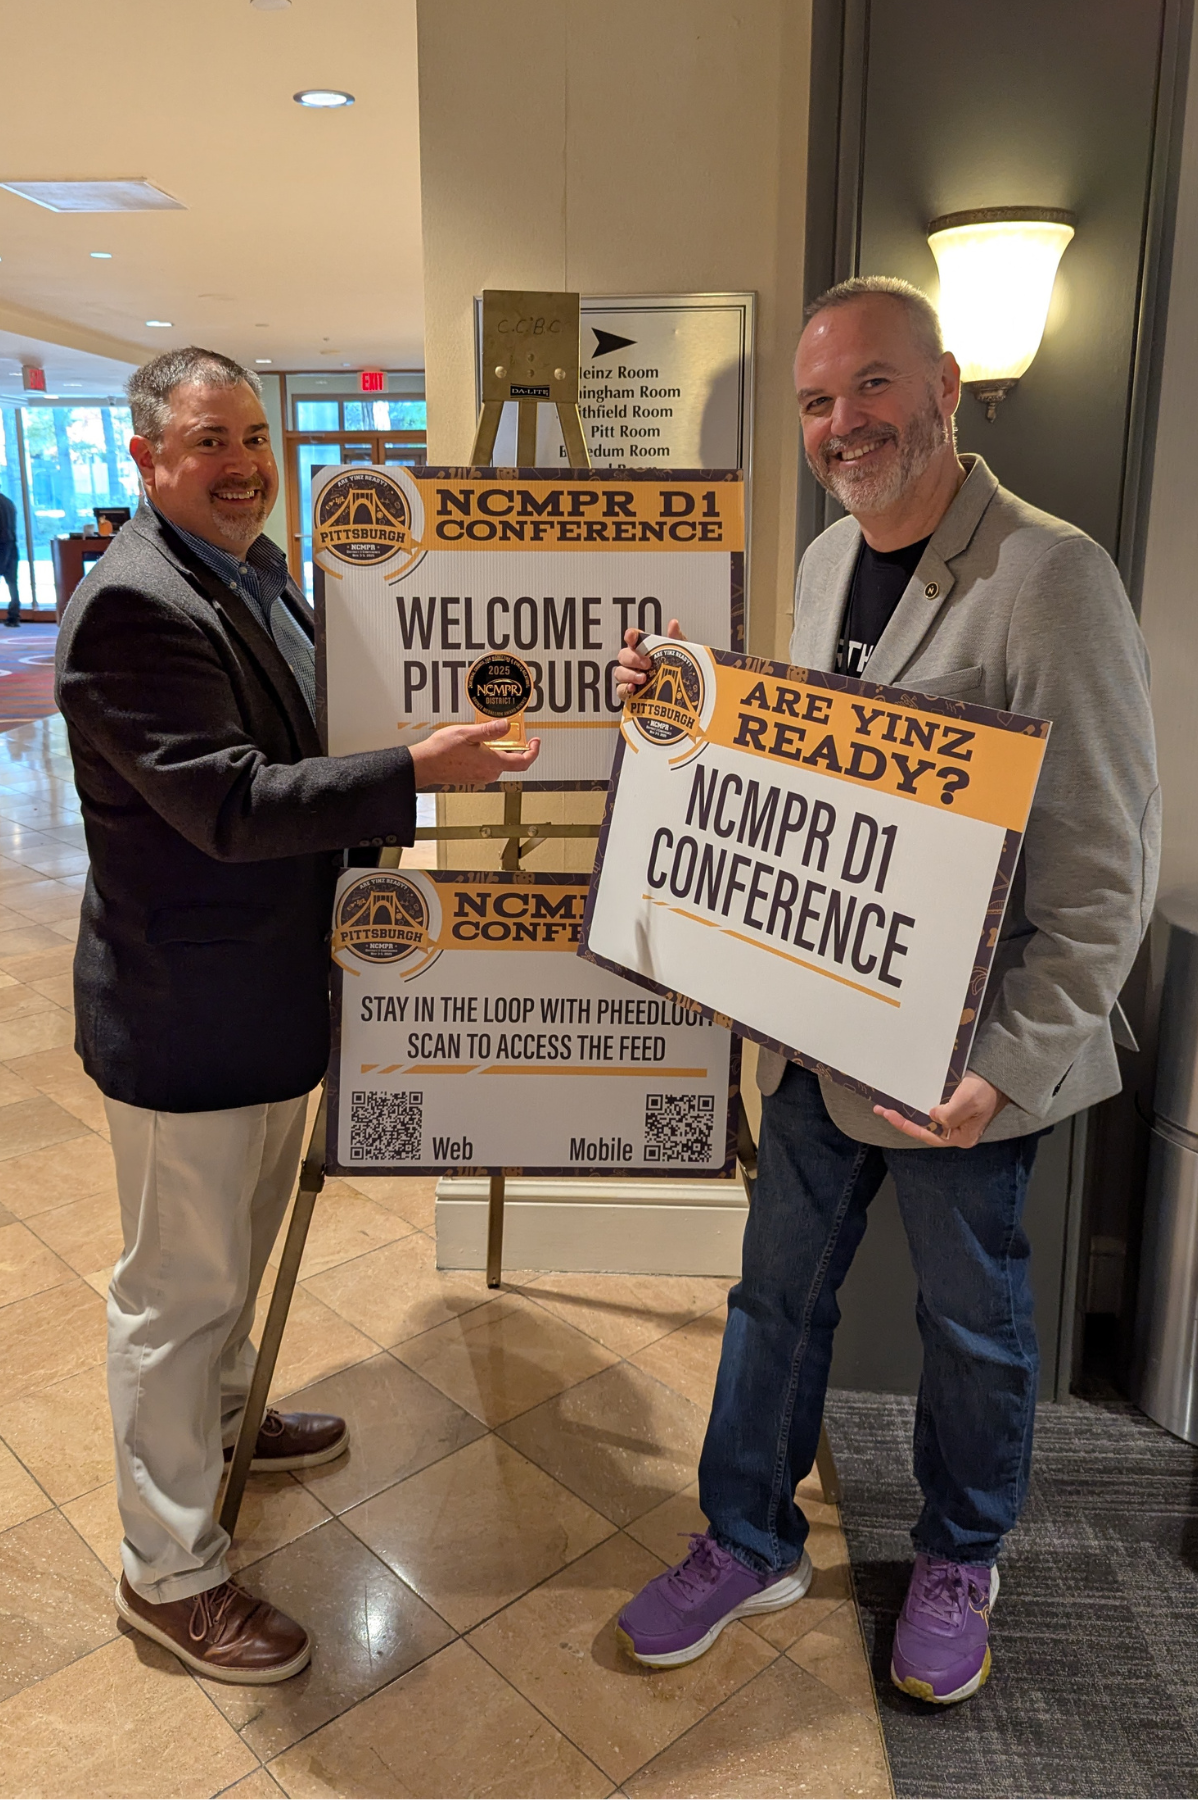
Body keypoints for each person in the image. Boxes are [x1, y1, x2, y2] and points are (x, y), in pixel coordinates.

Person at [614, 278, 1159, 1704]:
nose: (840, 422)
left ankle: (960, 1556)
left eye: (868, 386)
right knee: (771, 1301)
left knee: (969, 1324)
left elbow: (1108, 869)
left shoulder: (1049, 575)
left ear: (944, 389)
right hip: (814, 1035)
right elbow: (798, 785)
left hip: (966, 1058)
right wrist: (679, 709)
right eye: (814, 400)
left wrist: (1016, 1061)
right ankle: (747, 1536)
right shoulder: (816, 562)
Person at [55, 346, 540, 1684]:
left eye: (254, 434)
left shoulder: (254, 576)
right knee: (175, 1290)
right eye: (207, 441)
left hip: (266, 998)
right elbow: (227, 804)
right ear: (148, 462)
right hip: (186, 1016)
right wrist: (410, 776)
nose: (243, 462)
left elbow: (308, 736)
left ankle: (221, 1423)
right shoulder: (134, 609)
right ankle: (169, 1573)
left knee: (235, 1257)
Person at [0, 482, 20, 625]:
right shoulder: (9, 503)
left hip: (0, 545)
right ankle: (14, 615)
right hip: (11, 545)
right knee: (12, 582)